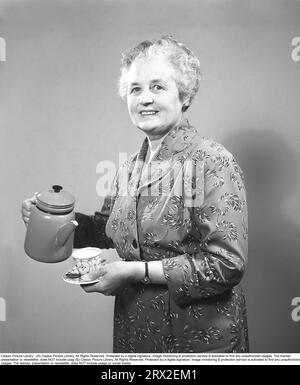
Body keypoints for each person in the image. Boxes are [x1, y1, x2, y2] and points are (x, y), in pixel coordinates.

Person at [22, 36, 249, 353]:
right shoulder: (129, 167)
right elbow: (109, 230)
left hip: (198, 338)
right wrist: (54, 219)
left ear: (183, 96)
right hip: (137, 332)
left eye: (158, 87)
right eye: (135, 89)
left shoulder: (212, 161)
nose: (145, 98)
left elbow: (225, 265)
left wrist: (133, 271)